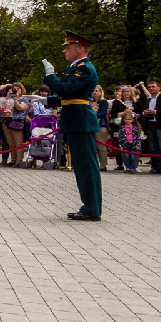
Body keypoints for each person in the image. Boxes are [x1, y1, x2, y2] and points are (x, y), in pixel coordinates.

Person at [43, 31, 102, 221]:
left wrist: (50, 76)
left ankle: (92, 209)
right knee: (82, 166)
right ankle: (89, 206)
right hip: (76, 119)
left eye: (67, 48)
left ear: (80, 49)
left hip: (80, 121)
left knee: (86, 166)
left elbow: (65, 89)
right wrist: (45, 100)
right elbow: (68, 96)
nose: (64, 51)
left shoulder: (84, 68)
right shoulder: (76, 67)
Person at [138, 80, 160, 174]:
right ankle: (154, 166)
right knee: (152, 147)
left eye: (153, 86)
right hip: (150, 124)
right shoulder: (148, 99)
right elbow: (143, 110)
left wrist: (155, 112)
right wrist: (144, 113)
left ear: (159, 88)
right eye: (149, 87)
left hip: (159, 124)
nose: (151, 88)